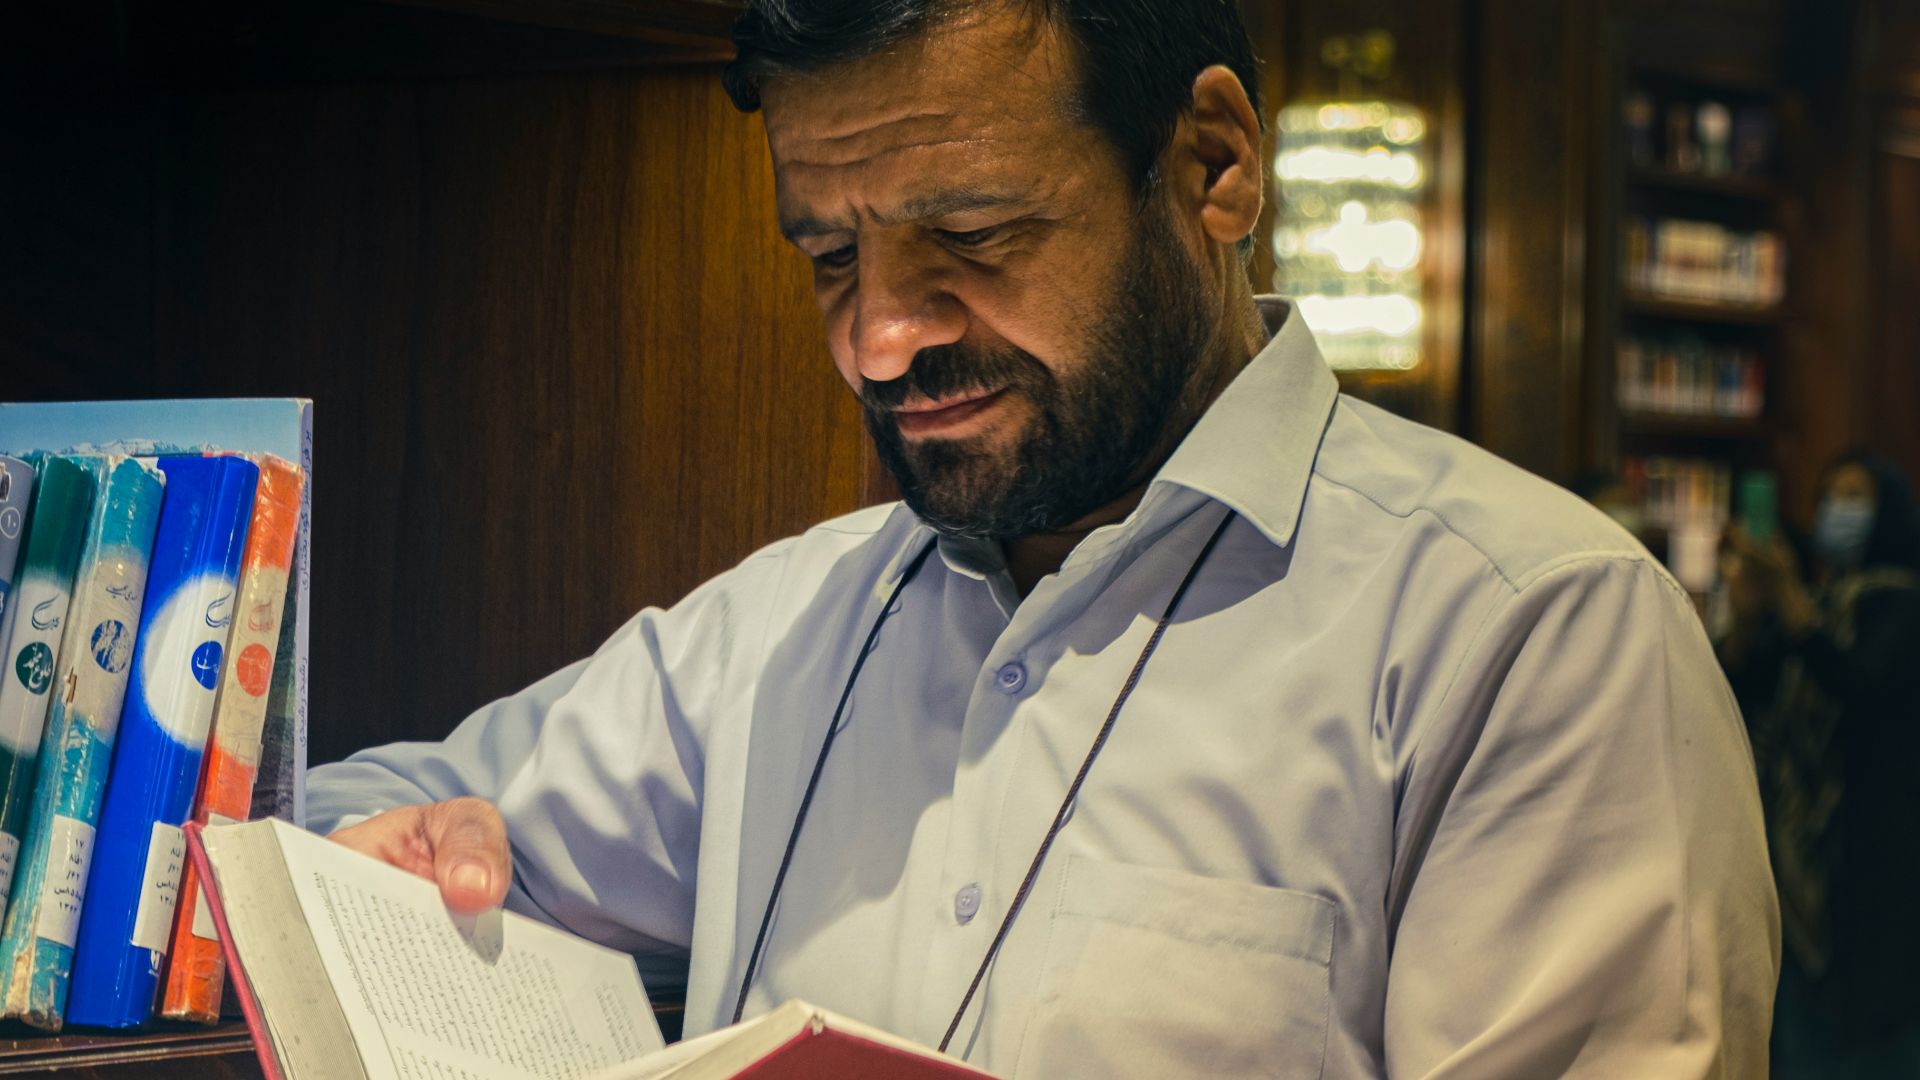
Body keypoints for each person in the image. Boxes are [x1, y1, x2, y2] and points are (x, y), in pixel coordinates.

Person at [309, 1, 1779, 1075]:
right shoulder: (778, 631)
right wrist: (419, 852)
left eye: (977, 237)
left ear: (1213, 164)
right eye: (830, 256)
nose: (880, 339)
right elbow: (348, 810)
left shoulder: (1531, 639)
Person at [1719, 452, 1920, 1076]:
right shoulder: (1818, 601)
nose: (1838, 509)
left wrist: (1792, 602)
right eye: (1830, 494)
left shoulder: (1901, 604)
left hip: (1870, 850)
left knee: (1864, 1036)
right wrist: (1752, 615)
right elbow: (1741, 692)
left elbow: (1862, 686)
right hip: (1796, 845)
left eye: (1856, 496)